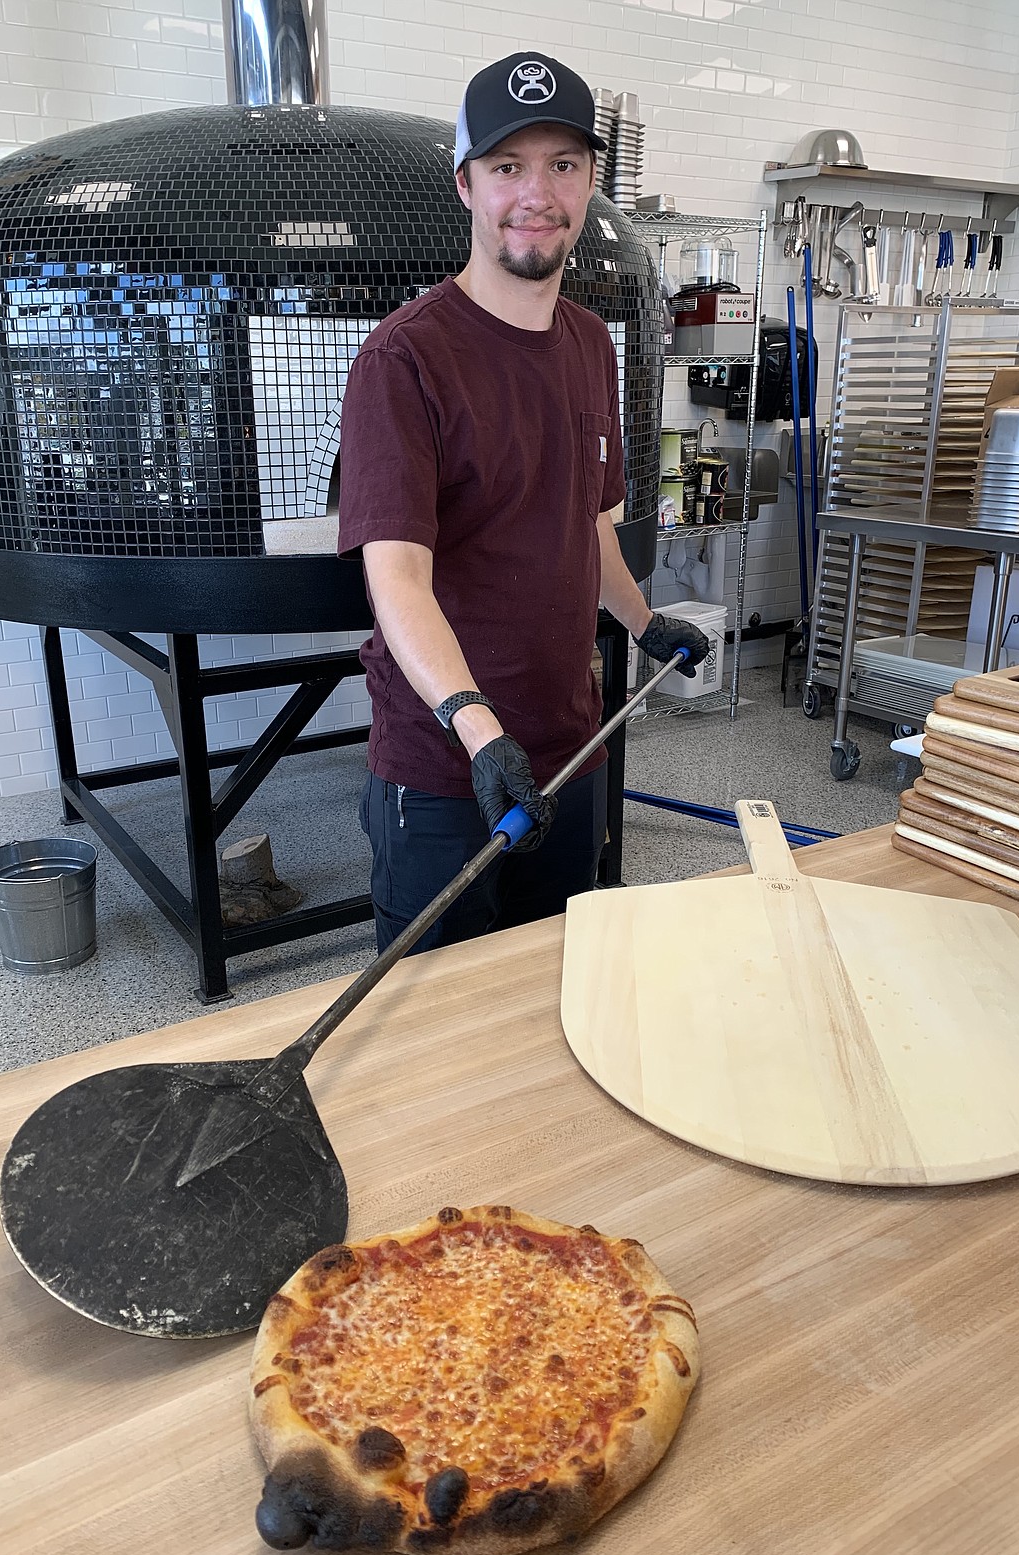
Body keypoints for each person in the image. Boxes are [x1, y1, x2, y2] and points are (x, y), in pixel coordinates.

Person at [338, 50, 710, 955]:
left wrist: (643, 619)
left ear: (590, 186)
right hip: (444, 767)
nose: (535, 193)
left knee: (554, 991)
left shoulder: (590, 343)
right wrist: (479, 731)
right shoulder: (404, 361)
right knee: (435, 1023)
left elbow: (587, 525)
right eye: (508, 167)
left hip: (572, 745)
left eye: (562, 166)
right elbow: (397, 581)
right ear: (467, 184)